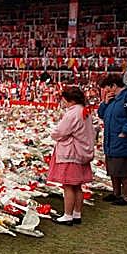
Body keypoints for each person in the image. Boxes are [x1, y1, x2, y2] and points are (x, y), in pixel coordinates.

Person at [48, 87, 96, 225]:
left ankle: (67, 215)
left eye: (65, 100)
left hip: (71, 153)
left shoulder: (72, 113)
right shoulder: (84, 111)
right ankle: (77, 213)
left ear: (71, 100)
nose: (63, 103)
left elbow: (60, 131)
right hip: (81, 152)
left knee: (68, 185)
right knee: (77, 186)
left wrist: (54, 134)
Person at [98, 74, 127, 206]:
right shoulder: (113, 99)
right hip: (111, 139)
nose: (105, 91)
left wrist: (125, 132)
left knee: (124, 169)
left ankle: (125, 197)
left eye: (107, 88)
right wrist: (105, 103)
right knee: (113, 168)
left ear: (114, 86)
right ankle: (116, 193)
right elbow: (101, 114)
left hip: (124, 140)